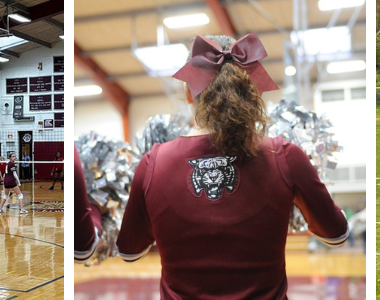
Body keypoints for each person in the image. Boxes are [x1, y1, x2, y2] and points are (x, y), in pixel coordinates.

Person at [115, 33, 349, 299]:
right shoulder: (284, 156)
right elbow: (336, 235)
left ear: (187, 92)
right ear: (249, 90)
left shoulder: (152, 164)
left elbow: (129, 252)